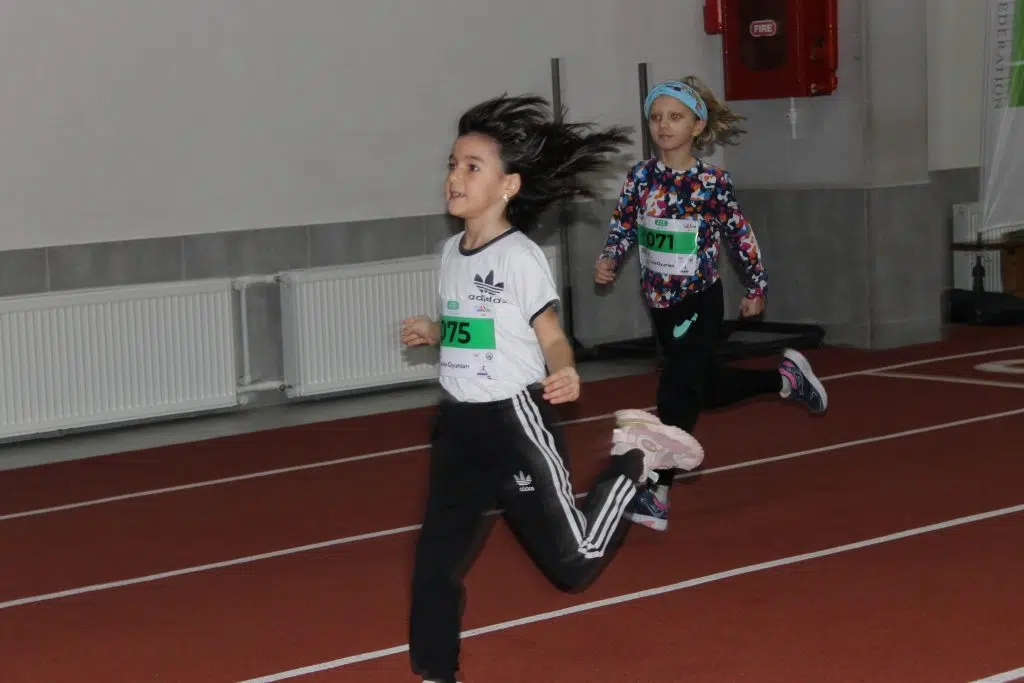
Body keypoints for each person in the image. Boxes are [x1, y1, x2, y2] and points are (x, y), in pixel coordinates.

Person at [399, 94, 705, 683]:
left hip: (513, 423)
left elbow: (550, 335)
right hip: (457, 426)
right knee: (434, 565)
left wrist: (564, 368)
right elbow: (478, 326)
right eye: (452, 164)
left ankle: (636, 459)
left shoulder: (520, 257)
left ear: (508, 185)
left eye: (472, 167)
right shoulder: (451, 253)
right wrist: (435, 331)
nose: (455, 177)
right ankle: (437, 675)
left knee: (574, 564)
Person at [594, 77, 828, 533]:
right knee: (704, 386)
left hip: (699, 300)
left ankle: (658, 492)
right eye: (656, 117)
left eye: (675, 117)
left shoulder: (712, 183)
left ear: (697, 126)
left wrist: (756, 285)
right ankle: (784, 379)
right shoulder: (640, 177)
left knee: (676, 392)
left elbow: (740, 236)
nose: (664, 125)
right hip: (660, 304)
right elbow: (623, 225)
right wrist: (609, 259)